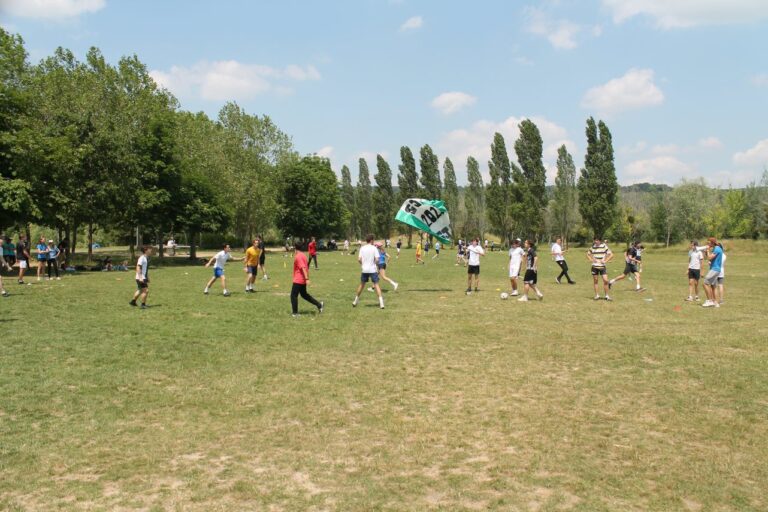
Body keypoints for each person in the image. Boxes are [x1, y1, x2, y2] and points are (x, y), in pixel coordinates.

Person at [291, 241, 323, 317]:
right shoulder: (303, 255)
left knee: (293, 295)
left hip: (299, 279)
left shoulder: (298, 256)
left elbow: (303, 268)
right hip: (302, 279)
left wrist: (307, 279)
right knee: (304, 295)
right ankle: (319, 305)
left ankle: (295, 313)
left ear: (295, 247)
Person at [353, 234, 385, 309]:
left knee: (362, 285)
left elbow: (359, 259)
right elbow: (377, 259)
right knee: (376, 285)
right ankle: (381, 303)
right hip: (372, 269)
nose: (374, 241)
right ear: (371, 240)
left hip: (364, 270)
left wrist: (363, 264)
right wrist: (375, 264)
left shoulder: (362, 248)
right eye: (373, 240)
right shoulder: (374, 248)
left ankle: (355, 301)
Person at [587, 236, 614, 300]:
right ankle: (597, 295)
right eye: (595, 240)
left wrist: (605, 261)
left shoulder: (604, 246)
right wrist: (591, 260)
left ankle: (607, 296)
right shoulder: (592, 247)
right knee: (595, 281)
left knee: (605, 280)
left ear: (600, 241)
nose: (595, 241)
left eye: (597, 240)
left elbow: (611, 255)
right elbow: (588, 254)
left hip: (602, 267)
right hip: (594, 267)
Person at [702, 237, 723, 308]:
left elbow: (709, 258)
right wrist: (705, 252)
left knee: (705, 283)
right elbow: (707, 258)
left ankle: (709, 301)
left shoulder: (717, 249)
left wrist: (708, 251)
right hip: (715, 269)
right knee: (713, 286)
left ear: (712, 243)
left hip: (715, 269)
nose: (707, 244)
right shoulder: (715, 249)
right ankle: (716, 303)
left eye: (708, 243)